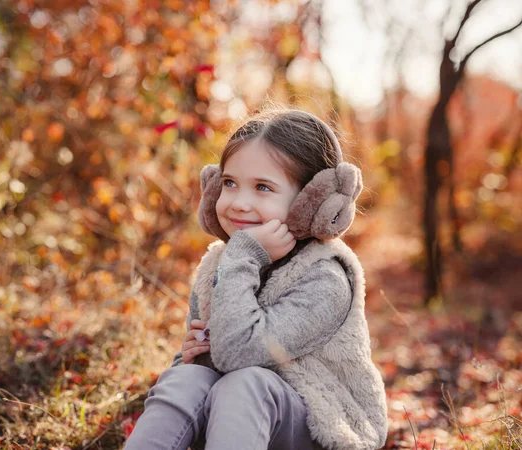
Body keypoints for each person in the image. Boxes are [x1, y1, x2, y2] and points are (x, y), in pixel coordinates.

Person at [123, 109, 388, 450]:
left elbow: (238, 356)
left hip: (321, 426)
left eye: (263, 187)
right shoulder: (221, 264)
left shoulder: (326, 277)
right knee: (185, 378)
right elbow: (207, 368)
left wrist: (244, 255)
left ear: (312, 201)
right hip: (238, 427)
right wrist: (192, 357)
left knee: (248, 383)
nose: (238, 203)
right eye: (230, 183)